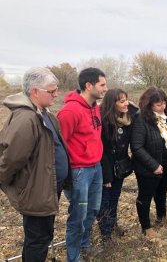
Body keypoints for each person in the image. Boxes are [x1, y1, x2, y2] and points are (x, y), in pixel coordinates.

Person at [0, 67, 70, 262]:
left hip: (47, 188)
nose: (56, 94)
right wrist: (10, 184)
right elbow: (12, 158)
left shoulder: (44, 114)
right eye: (51, 91)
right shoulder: (27, 118)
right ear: (34, 92)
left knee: (43, 236)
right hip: (36, 191)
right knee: (37, 240)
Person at [57, 67, 108, 262]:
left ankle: (85, 245)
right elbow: (59, 146)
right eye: (102, 84)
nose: (105, 88)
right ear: (89, 85)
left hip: (96, 168)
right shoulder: (70, 111)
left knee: (92, 210)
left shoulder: (94, 106)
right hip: (79, 171)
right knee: (78, 216)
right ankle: (73, 257)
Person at [131, 87, 167, 240]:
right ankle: (146, 227)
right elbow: (137, 147)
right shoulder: (141, 120)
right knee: (145, 197)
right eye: (158, 104)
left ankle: (161, 216)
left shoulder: (165, 118)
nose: (162, 106)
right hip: (147, 168)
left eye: (164, 103)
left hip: (164, 164)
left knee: (161, 192)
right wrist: (154, 166)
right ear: (149, 104)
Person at [97, 88, 139, 245]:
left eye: (127, 99)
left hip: (120, 167)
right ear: (111, 104)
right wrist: (106, 176)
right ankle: (105, 234)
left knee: (115, 197)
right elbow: (102, 151)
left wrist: (128, 104)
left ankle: (113, 224)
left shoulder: (127, 118)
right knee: (104, 201)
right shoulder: (104, 121)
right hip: (107, 168)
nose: (126, 103)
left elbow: (136, 110)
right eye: (122, 101)